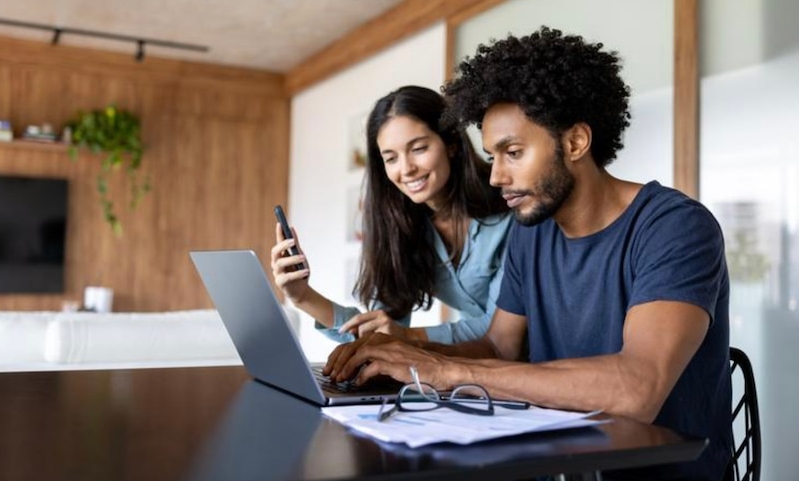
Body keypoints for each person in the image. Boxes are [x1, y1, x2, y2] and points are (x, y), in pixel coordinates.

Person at [324, 28, 731, 481]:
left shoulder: (674, 227)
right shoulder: (532, 231)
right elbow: (500, 345)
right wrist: (403, 350)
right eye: (492, 156)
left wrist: (441, 370)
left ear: (576, 142)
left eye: (513, 152)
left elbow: (637, 388)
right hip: (558, 464)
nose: (496, 177)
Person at [271, 85, 512, 344]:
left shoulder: (511, 203)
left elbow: (499, 329)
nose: (406, 169)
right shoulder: (401, 226)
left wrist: (408, 337)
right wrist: (302, 296)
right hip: (479, 365)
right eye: (391, 158)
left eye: (418, 148)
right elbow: (382, 330)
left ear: (451, 143)